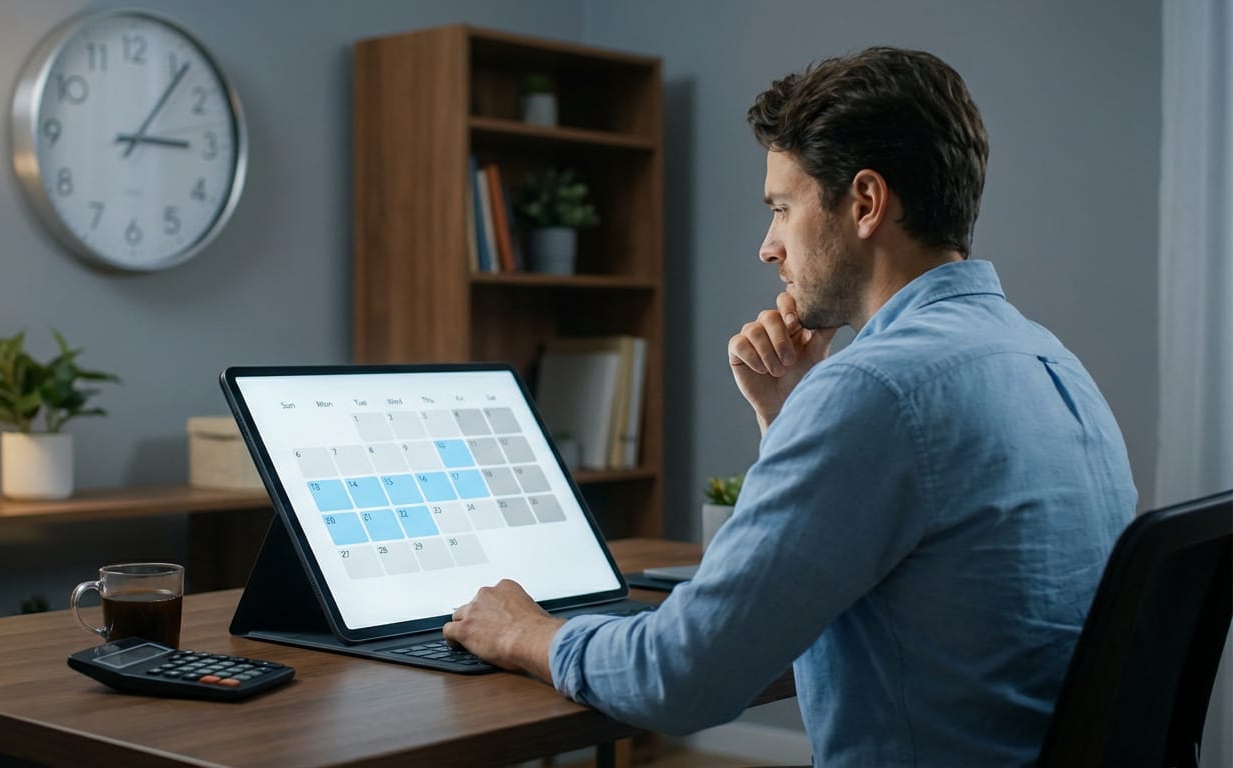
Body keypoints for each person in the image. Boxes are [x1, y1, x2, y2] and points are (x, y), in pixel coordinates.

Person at [443, 46, 1137, 765]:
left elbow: (680, 679)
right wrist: (789, 416)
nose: (767, 247)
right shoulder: (1050, 361)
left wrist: (525, 631)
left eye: (782, 207)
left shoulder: (875, 390)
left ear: (865, 203)